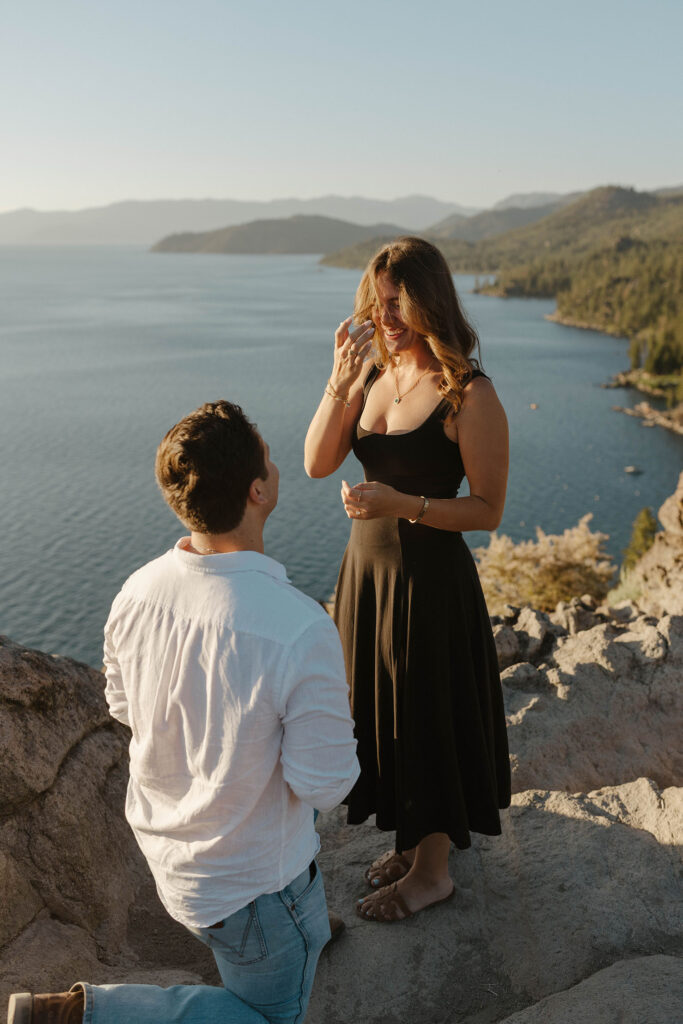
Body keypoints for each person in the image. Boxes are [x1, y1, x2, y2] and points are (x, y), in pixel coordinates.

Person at [9, 400, 359, 1024]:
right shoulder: (300, 627)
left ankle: (288, 945)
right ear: (258, 491)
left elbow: (123, 706)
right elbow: (325, 786)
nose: (276, 463)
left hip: (171, 858)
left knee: (253, 946)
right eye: (270, 457)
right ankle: (78, 1015)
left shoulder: (136, 592)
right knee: (269, 1019)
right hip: (256, 885)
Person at [304, 236, 511, 924]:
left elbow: (487, 510)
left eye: (399, 302)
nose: (386, 316)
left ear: (429, 301)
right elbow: (315, 462)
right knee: (378, 711)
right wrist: (338, 379)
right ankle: (410, 840)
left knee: (423, 713)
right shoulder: (369, 376)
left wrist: (404, 506)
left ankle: (430, 874)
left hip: (429, 581)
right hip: (364, 576)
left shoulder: (468, 393)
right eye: (377, 302)